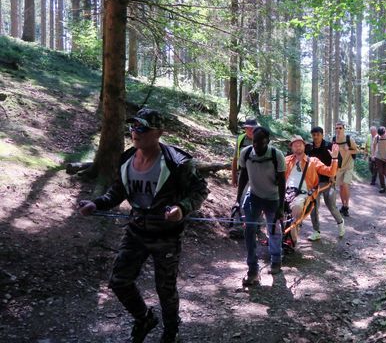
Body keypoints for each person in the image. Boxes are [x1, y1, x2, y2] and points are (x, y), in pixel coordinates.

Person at [78, 108, 209, 343]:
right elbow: (117, 192)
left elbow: (200, 191)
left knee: (165, 290)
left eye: (142, 128)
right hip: (135, 232)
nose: (134, 132)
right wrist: (96, 204)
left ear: (158, 132)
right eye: (132, 127)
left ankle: (171, 332)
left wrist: (181, 208)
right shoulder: (127, 158)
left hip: (167, 237)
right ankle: (144, 318)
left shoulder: (177, 162)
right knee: (119, 281)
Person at [236, 126, 286, 285]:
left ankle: (276, 260)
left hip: (272, 198)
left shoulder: (276, 155)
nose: (256, 146)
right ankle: (253, 270)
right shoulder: (246, 153)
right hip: (254, 196)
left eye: (260, 143)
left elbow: (282, 182)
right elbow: (243, 176)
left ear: (268, 142)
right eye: (254, 142)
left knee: (273, 230)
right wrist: (238, 200)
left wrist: (281, 206)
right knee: (249, 229)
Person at [285, 135, 340, 247]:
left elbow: (331, 172)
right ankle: (273, 237)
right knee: (272, 207)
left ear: (304, 146)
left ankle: (291, 240)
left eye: (300, 144)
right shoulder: (286, 160)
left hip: (302, 194)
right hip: (285, 191)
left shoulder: (313, 161)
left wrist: (334, 158)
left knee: (296, 207)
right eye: (295, 144)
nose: (298, 146)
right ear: (291, 148)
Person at [306, 127, 345, 241]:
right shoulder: (309, 148)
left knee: (331, 205)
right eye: (313, 135)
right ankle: (316, 231)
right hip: (314, 182)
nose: (316, 137)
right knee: (313, 207)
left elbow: (339, 162)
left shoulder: (330, 146)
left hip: (328, 181)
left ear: (322, 135)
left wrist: (333, 176)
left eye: (318, 134)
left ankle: (340, 222)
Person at [332, 121, 359, 217]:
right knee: (341, 187)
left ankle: (346, 206)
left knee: (345, 184)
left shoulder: (349, 139)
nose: (338, 130)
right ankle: (343, 205)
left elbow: (356, 150)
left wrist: (349, 150)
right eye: (337, 128)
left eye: (340, 128)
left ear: (344, 129)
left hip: (348, 165)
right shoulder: (334, 139)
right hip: (339, 166)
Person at [231, 118, 257, 187]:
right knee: (241, 196)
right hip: (242, 174)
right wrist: (234, 177)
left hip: (257, 176)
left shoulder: (261, 139)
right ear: (245, 129)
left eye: (252, 128)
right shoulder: (240, 139)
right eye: (248, 128)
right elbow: (235, 158)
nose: (250, 131)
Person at [372, 126, 386, 193]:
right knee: (380, 172)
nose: (381, 136)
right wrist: (373, 155)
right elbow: (374, 146)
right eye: (380, 135)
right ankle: (382, 187)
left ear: (385, 132)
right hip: (379, 157)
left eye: (382, 135)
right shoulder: (377, 137)